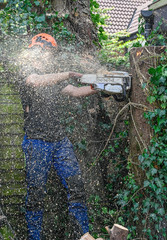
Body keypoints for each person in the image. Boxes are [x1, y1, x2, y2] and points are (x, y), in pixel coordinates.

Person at [19, 33, 98, 240]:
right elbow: (36, 81)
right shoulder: (27, 71)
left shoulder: (53, 76)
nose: (47, 56)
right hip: (36, 142)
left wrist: (98, 86)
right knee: (35, 195)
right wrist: (69, 72)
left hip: (59, 141)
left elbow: (74, 91)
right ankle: (35, 237)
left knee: (76, 187)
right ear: (36, 51)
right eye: (45, 52)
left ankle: (83, 234)